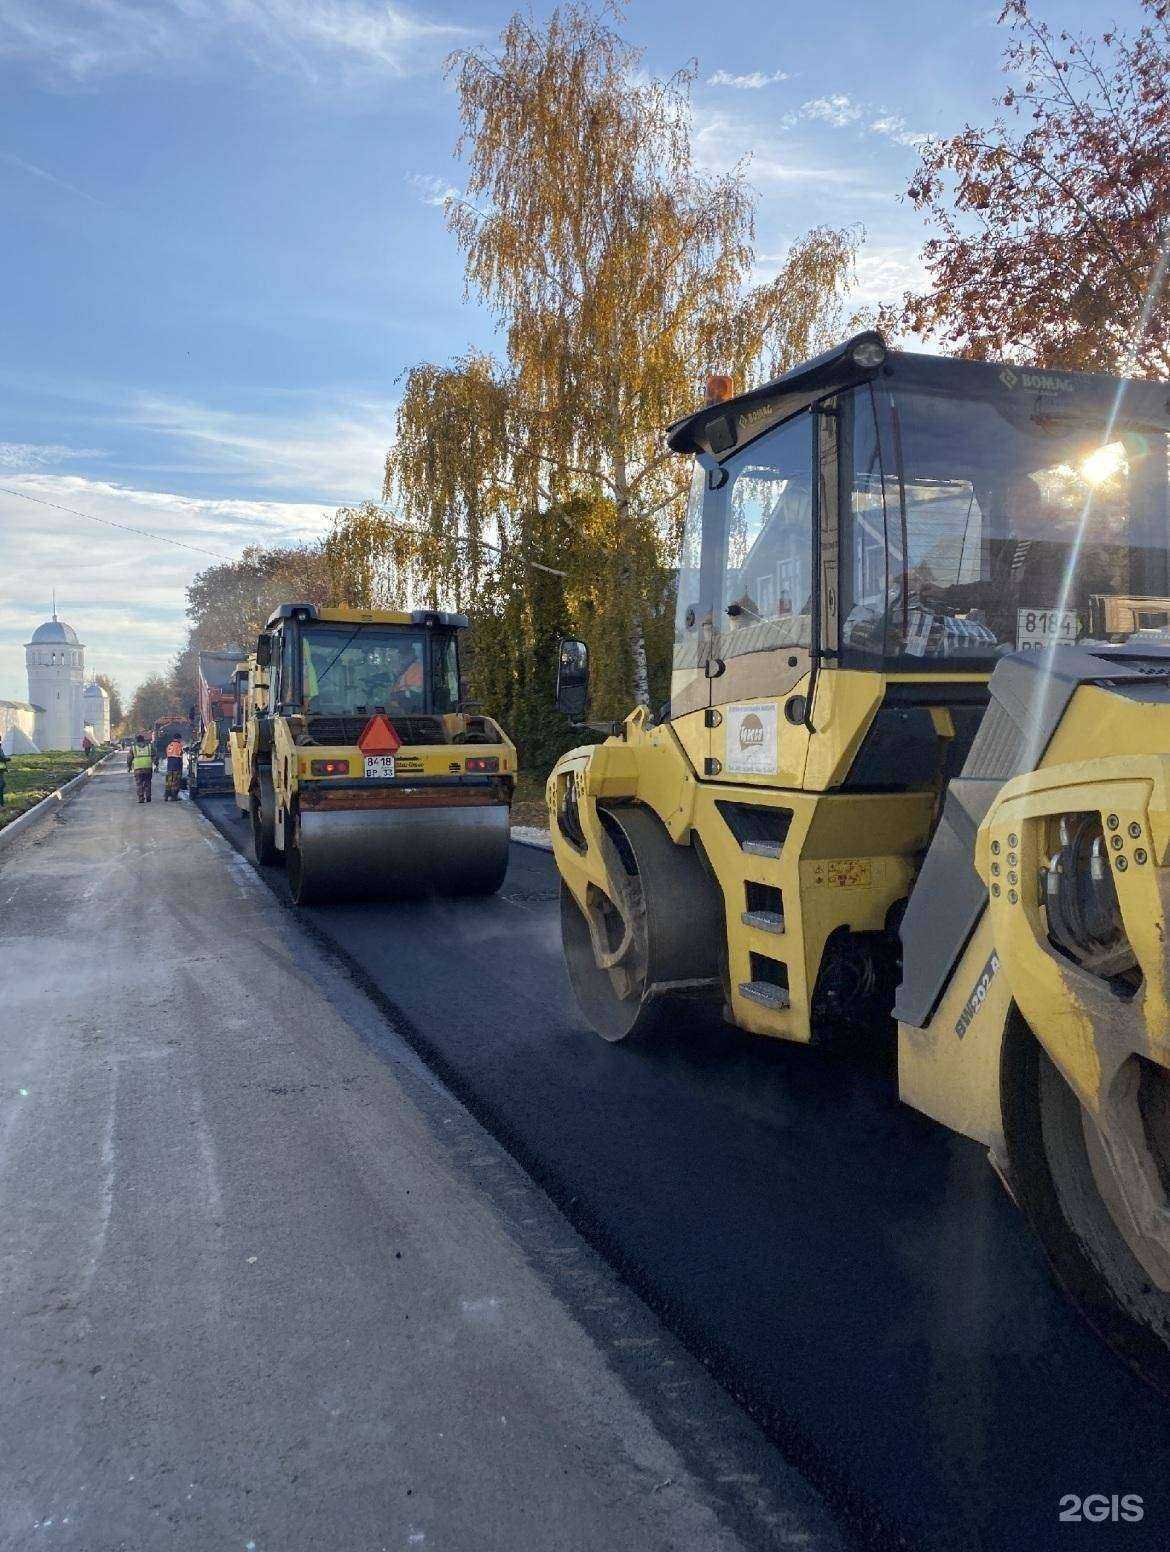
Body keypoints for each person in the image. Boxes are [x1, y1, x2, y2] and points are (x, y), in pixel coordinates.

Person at [130, 733, 154, 804]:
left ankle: (141, 798)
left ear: (136, 740)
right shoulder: (150, 746)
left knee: (139, 783)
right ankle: (148, 797)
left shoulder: (134, 747)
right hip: (148, 767)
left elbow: (129, 758)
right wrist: (156, 764)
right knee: (148, 782)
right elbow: (155, 755)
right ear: (144, 740)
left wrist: (129, 766)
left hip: (138, 769)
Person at [164, 735, 184, 802]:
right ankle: (174, 796)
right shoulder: (179, 745)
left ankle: (166, 796)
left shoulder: (169, 745)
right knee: (175, 781)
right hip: (176, 764)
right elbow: (180, 755)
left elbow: (168, 755)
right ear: (179, 738)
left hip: (169, 765)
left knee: (169, 781)